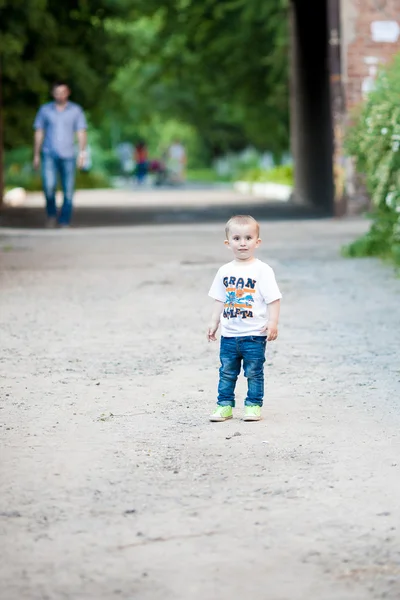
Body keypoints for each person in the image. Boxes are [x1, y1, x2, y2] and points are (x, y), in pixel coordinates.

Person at [207, 215, 282, 422]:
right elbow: (219, 299)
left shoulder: (262, 270)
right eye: (237, 238)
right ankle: (224, 406)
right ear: (227, 243)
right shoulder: (224, 271)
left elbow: (273, 299)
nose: (242, 243)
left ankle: (253, 405)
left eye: (248, 238)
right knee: (227, 373)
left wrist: (272, 322)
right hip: (229, 335)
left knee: (254, 373)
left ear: (257, 242)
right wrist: (214, 322)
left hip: (254, 335)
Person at [33, 82, 88, 228]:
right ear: (53, 94)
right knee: (49, 186)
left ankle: (64, 220)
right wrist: (36, 154)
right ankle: (51, 215)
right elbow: (39, 131)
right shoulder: (45, 110)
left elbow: (81, 131)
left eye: (63, 92)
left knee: (68, 190)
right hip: (49, 153)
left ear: (68, 92)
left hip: (69, 154)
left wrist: (82, 152)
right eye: (57, 92)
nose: (60, 95)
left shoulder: (76, 110)